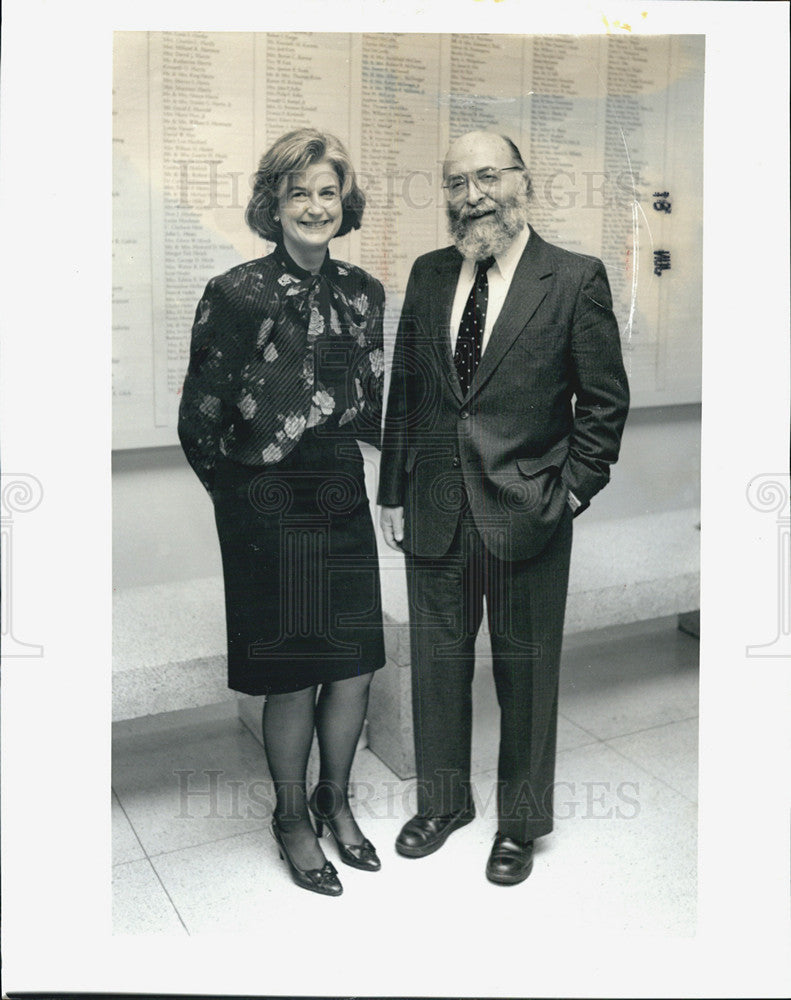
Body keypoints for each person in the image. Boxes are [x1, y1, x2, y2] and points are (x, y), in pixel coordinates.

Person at [378, 130, 629, 885]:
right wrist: (390, 490)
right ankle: (443, 803)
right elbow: (409, 395)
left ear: (522, 181)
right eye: (456, 183)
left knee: (523, 673)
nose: (472, 196)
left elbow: (604, 406)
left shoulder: (574, 278)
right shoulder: (427, 275)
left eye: (487, 177)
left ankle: (518, 824)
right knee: (437, 668)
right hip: (434, 509)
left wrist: (571, 490)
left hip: (528, 512)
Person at [179, 129, 386, 897]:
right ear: (273, 204)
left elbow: (370, 403)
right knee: (294, 679)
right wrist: (242, 508)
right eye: (297, 192)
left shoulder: (365, 293)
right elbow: (198, 423)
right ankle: (293, 818)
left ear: (344, 202)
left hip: (338, 488)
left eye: (327, 191)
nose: (313, 206)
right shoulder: (236, 293)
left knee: (355, 667)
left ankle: (337, 802)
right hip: (265, 502)